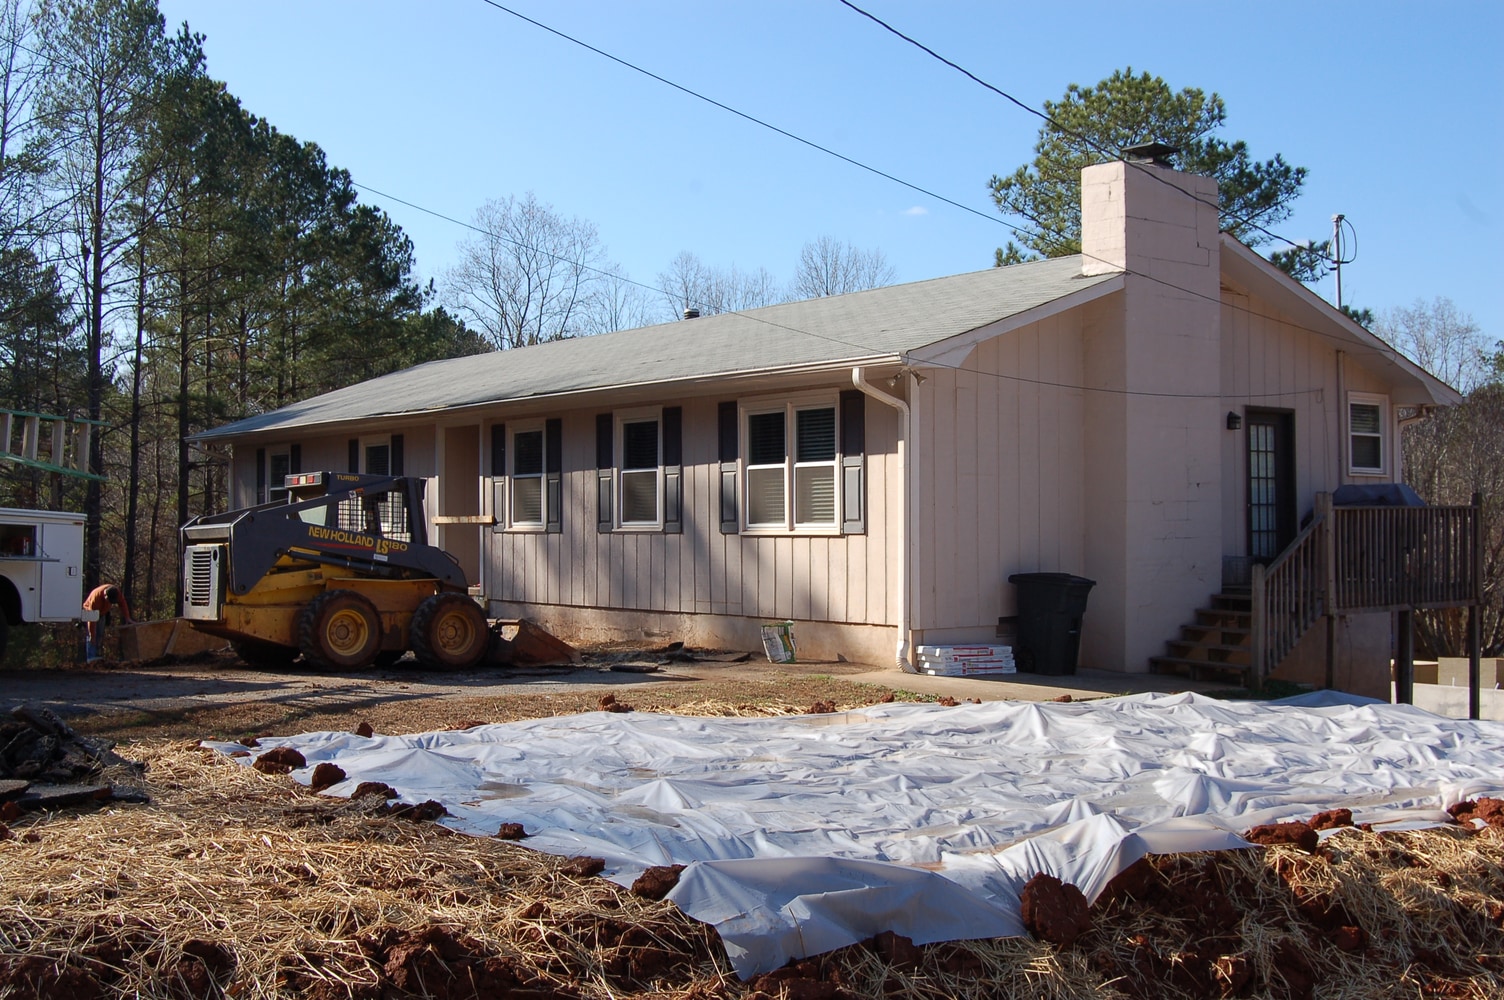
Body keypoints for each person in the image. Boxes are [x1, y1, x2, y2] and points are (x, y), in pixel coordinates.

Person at [83, 584, 133, 662]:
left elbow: (122, 603)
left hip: (102, 613)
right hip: (90, 613)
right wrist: (92, 635)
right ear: (105, 595)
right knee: (92, 636)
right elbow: (91, 620)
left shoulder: (116, 592)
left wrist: (127, 617)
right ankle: (91, 658)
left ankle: (97, 656)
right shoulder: (96, 599)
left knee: (100, 634)